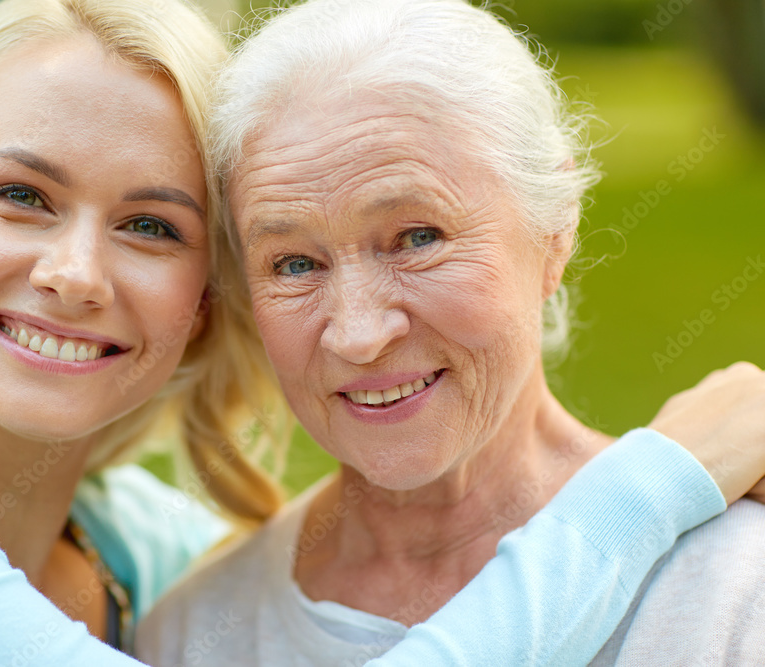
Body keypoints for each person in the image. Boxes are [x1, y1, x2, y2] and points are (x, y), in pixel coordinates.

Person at [0, 0, 762, 665]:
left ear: (203, 300)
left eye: (151, 225)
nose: (72, 273)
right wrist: (654, 481)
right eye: (21, 195)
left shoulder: (141, 563)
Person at [135, 1, 765, 665]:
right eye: (294, 263)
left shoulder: (738, 586)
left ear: (554, 232)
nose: (357, 333)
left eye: (417, 237)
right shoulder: (194, 633)